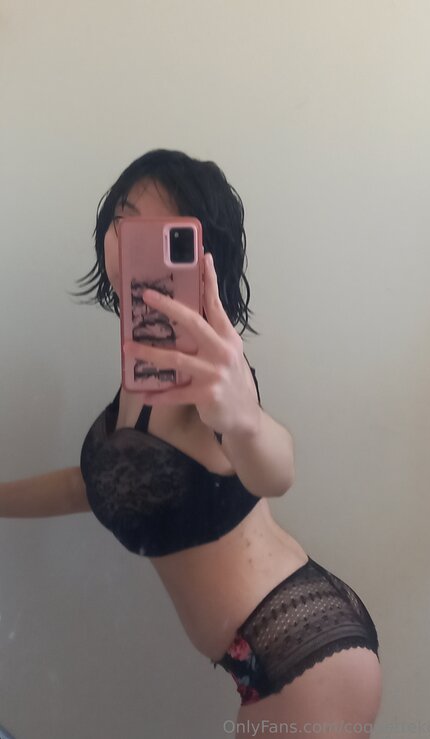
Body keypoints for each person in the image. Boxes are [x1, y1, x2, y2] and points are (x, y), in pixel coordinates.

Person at [1, 149, 382, 737]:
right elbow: (91, 485)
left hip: (306, 653)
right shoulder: (142, 369)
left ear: (203, 254)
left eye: (161, 233)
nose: (129, 243)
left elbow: (274, 472)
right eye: (123, 221)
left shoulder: (213, 379)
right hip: (266, 650)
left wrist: (247, 422)